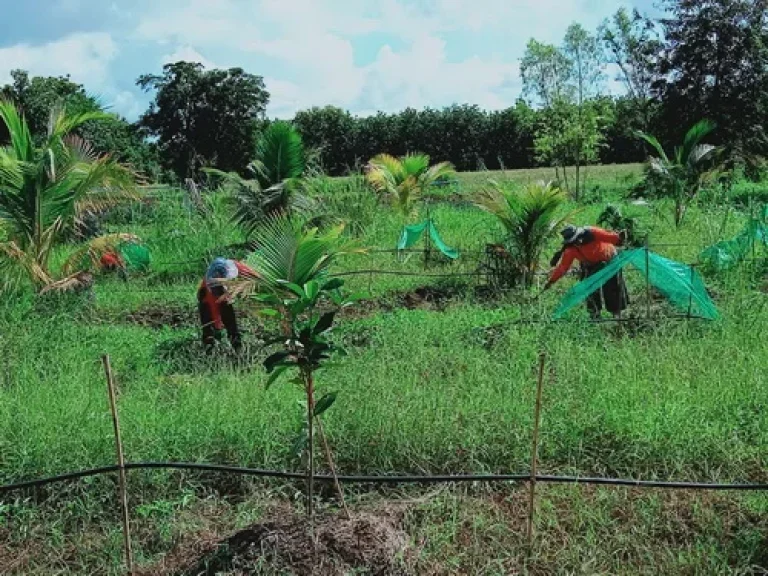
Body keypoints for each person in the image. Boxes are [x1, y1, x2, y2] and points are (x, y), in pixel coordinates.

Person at [544, 225, 629, 319]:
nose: (578, 242)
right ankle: (595, 314)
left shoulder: (593, 232)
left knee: (612, 287)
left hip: (610, 260)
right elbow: (563, 267)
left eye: (577, 239)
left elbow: (612, 238)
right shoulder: (570, 250)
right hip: (590, 264)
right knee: (590, 288)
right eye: (574, 241)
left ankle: (617, 314)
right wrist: (551, 281)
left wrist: (620, 237)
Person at [197, 257, 258, 353]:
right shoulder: (209, 292)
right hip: (207, 302)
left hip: (222, 295)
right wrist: (217, 327)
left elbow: (255, 276)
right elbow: (214, 314)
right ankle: (211, 352)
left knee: (232, 326)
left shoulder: (235, 267)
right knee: (210, 329)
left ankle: (238, 350)